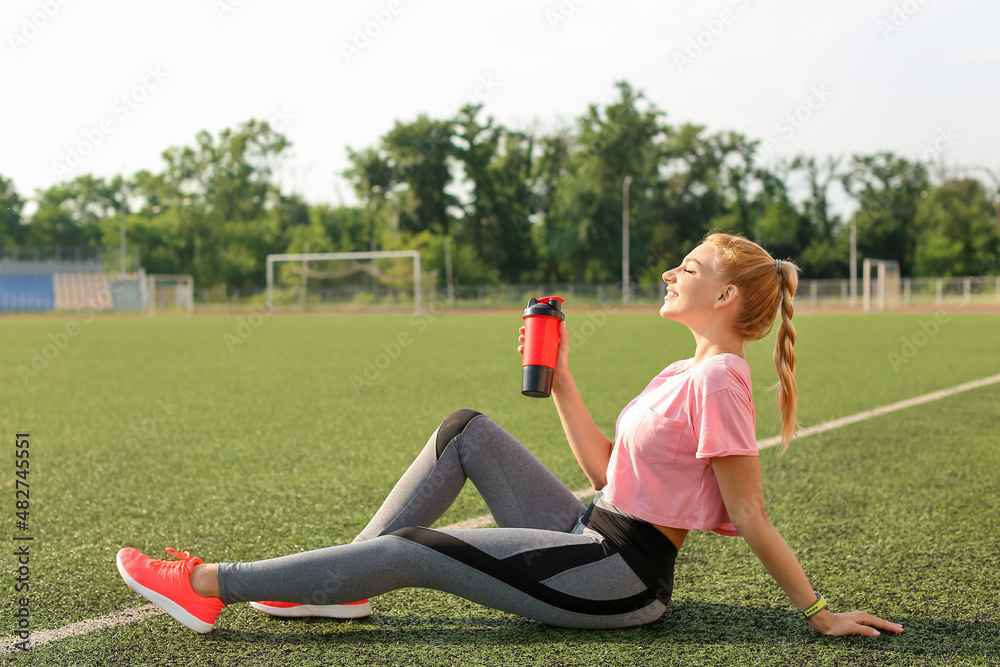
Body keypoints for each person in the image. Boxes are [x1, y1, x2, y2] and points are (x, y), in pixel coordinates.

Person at [116, 233, 904, 638]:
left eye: (688, 267)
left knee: (417, 550)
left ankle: (208, 585)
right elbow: (606, 469)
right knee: (467, 430)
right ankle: (339, 586)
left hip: (620, 576)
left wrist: (819, 609)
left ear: (726, 294)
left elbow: (752, 511)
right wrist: (563, 384)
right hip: (592, 522)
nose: (671, 273)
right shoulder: (681, 370)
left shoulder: (721, 378)